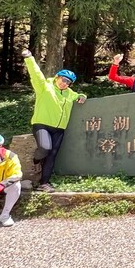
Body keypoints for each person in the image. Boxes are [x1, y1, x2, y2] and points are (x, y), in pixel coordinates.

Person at [22, 49, 86, 193]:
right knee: (45, 148)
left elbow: (78, 95)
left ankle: (44, 183)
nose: (65, 83)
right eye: (63, 79)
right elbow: (36, 74)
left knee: (52, 155)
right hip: (42, 124)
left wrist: (82, 95)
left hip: (59, 129)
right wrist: (29, 58)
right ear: (57, 77)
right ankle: (36, 160)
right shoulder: (44, 87)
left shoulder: (70, 93)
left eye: (69, 82)